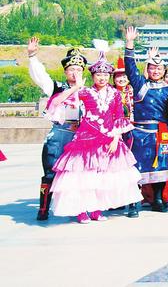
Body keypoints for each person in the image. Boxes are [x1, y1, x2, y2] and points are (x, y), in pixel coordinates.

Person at [48, 51, 142, 223]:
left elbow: (118, 117)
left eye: (105, 75)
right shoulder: (85, 92)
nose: (102, 78)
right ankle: (81, 210)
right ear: (92, 76)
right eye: (98, 74)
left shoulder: (115, 94)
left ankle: (96, 209)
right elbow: (57, 102)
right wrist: (76, 87)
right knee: (84, 178)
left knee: (101, 177)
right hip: (86, 139)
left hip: (108, 139)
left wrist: (116, 138)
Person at [26, 37, 87, 220]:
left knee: (78, 175)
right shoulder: (56, 87)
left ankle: (77, 208)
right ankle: (43, 208)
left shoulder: (88, 91)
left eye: (79, 70)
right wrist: (32, 56)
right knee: (50, 173)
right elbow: (40, 76)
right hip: (60, 134)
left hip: (80, 137)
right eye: (71, 69)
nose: (75, 73)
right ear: (65, 71)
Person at [123, 26, 168, 214]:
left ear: (163, 71)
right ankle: (133, 203)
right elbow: (130, 68)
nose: (156, 71)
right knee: (136, 168)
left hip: (160, 133)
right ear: (148, 69)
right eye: (152, 67)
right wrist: (130, 44)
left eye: (159, 68)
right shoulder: (141, 85)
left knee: (161, 167)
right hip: (140, 133)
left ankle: (158, 200)